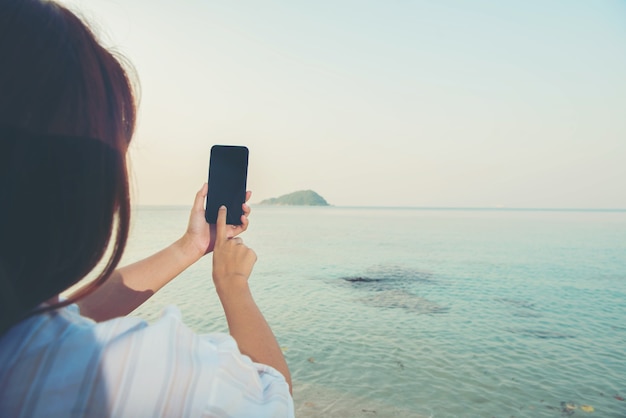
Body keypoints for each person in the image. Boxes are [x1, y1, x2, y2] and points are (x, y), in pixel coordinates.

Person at [0, 0, 294, 417]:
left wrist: (190, 246)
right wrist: (233, 284)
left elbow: (61, 318)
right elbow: (273, 400)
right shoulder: (123, 375)